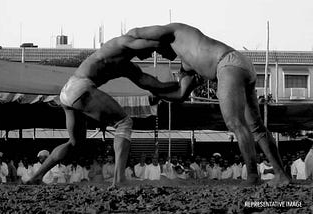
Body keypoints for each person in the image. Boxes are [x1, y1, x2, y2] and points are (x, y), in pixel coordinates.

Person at [127, 22, 289, 185]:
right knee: (256, 127)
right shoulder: (187, 64)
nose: (161, 56)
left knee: (235, 123)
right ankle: (282, 175)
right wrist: (157, 93)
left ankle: (253, 176)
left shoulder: (177, 31)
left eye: (154, 52)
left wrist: (122, 52)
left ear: (157, 44)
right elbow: (180, 95)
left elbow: (135, 32)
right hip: (241, 65)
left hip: (227, 64)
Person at [26, 34, 179, 188]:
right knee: (124, 123)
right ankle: (119, 179)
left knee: (74, 142)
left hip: (67, 91)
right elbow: (149, 42)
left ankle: (36, 177)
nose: (148, 56)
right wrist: (169, 50)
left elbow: (152, 84)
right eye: (151, 52)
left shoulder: (127, 64)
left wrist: (179, 85)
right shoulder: (122, 44)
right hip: (81, 87)